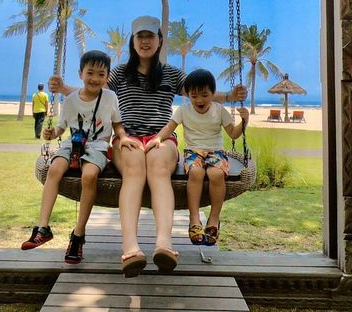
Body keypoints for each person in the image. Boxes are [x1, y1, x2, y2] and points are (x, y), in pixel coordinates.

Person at [49, 16, 247, 277]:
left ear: (159, 41)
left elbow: (201, 92)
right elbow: (91, 91)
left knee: (158, 170)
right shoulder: (119, 73)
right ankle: (130, 248)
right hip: (127, 138)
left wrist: (230, 96)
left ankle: (164, 245)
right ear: (132, 42)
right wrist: (64, 88)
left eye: (150, 36)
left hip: (161, 138)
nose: (145, 41)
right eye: (140, 37)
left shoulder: (171, 74)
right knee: (134, 171)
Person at [21, 50, 139, 264]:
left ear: (107, 76)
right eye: (90, 73)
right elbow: (61, 128)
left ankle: (78, 234)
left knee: (89, 175)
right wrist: (52, 134)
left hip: (98, 146)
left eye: (101, 74)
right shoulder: (71, 100)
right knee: (54, 169)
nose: (95, 78)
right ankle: (42, 227)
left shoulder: (110, 97)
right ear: (80, 74)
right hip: (72, 144)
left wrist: (122, 138)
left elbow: (117, 124)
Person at [145, 69, 249, 246]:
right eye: (194, 96)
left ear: (213, 93)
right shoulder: (183, 110)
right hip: (193, 152)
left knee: (216, 174)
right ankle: (194, 218)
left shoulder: (219, 110)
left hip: (216, 152)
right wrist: (157, 139)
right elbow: (169, 128)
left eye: (204, 95)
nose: (199, 100)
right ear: (188, 95)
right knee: (196, 173)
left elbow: (233, 134)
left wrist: (244, 122)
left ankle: (214, 218)